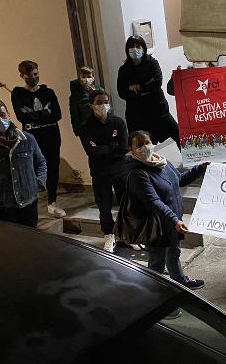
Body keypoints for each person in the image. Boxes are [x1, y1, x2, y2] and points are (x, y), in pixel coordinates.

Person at [124, 131, 206, 289]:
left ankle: (179, 281)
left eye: (147, 142)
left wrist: (200, 168)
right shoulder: (137, 173)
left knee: (174, 253)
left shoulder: (162, 162)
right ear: (131, 149)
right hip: (157, 225)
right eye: (139, 145)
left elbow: (180, 180)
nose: (145, 147)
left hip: (173, 222)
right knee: (157, 261)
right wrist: (174, 220)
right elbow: (153, 201)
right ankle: (155, 292)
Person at [0, 99, 47, 227]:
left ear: (9, 115)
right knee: (9, 239)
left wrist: (38, 182)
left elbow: (41, 163)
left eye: (3, 115)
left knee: (30, 237)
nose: (0, 120)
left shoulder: (27, 139)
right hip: (3, 208)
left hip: (28, 204)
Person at [11, 60, 65, 218]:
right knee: (32, 168)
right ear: (22, 76)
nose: (33, 78)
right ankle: (31, 202)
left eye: (35, 74)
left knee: (53, 167)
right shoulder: (18, 94)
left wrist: (34, 116)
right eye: (29, 76)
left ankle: (52, 202)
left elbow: (57, 115)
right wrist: (45, 115)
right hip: (32, 137)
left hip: (51, 136)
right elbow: (22, 117)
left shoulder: (48, 92)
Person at [79, 89, 128, 253]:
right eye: (99, 102)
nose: (103, 105)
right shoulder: (86, 127)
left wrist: (103, 148)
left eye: (106, 102)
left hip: (119, 170)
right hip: (99, 172)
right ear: (91, 105)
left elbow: (124, 147)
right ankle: (108, 235)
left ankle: (127, 234)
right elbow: (91, 151)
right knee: (104, 206)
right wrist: (112, 146)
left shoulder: (118, 123)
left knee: (125, 204)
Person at [116, 35, 180, 149]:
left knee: (179, 135)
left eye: (138, 46)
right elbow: (122, 92)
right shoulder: (124, 70)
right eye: (132, 47)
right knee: (140, 146)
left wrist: (138, 88)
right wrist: (146, 87)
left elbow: (157, 82)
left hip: (158, 110)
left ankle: (191, 159)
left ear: (143, 48)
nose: (135, 49)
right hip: (137, 115)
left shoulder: (152, 63)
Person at [69, 66, 99, 137]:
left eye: (89, 77)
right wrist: (78, 131)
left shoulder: (99, 90)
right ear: (79, 79)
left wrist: (95, 93)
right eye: (83, 77)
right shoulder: (75, 95)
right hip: (85, 129)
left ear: (93, 78)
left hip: (100, 126)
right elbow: (74, 114)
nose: (86, 79)